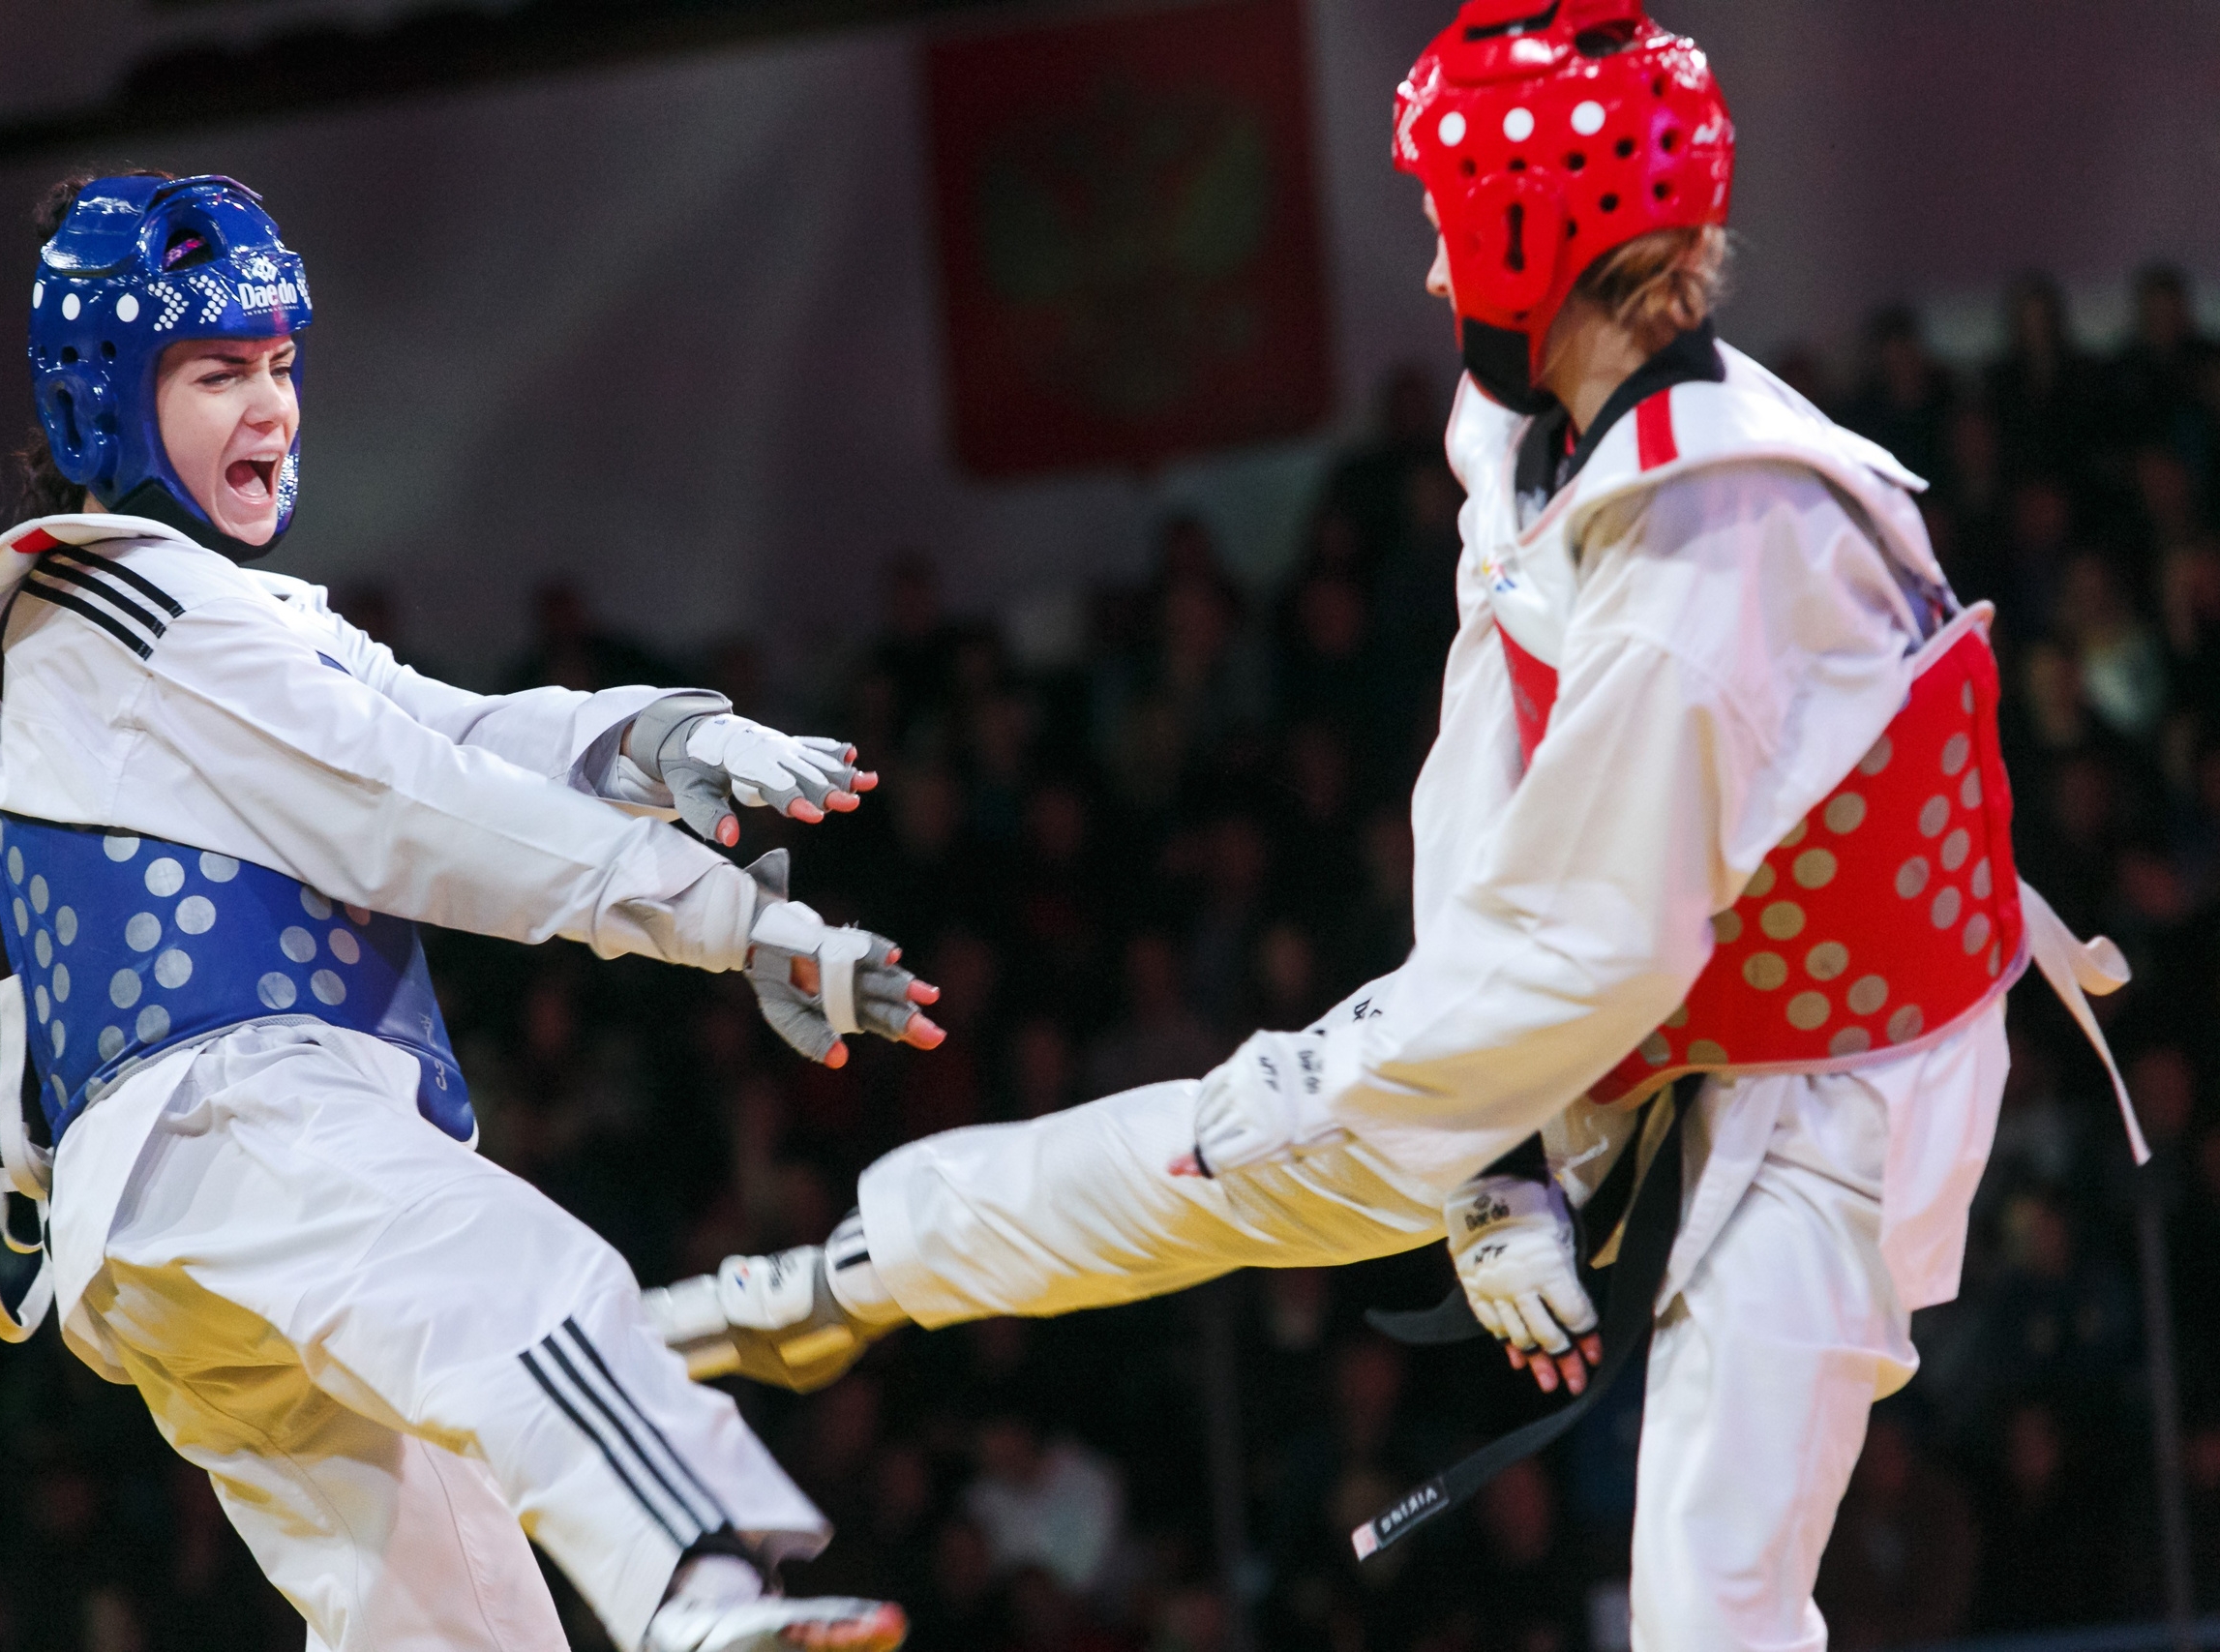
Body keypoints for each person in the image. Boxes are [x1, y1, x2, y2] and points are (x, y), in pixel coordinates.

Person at [646, 4, 2140, 1646]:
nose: (1432, 275)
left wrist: (1413, 1107)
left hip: (1836, 1070)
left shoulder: (1717, 555)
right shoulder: (1530, 443)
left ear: (1532, 240)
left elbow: (1596, 948)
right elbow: (1489, 756)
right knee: (1217, 1143)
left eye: (1447, 227)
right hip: (1632, 981)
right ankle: (846, 1280)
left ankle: (863, 1276)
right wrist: (1489, 1159)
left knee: (1714, 1593)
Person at [0, 171, 945, 1652]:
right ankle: (705, 1587)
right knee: (523, 1289)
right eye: (217, 373)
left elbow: (447, 730)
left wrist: (658, 739)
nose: (270, 408)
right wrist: (734, 925)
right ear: (102, 398)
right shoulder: (117, 606)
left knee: (453, 1626)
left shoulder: (201, 621)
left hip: (179, 1225)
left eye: (282, 364)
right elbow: (408, 800)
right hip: (236, 1130)